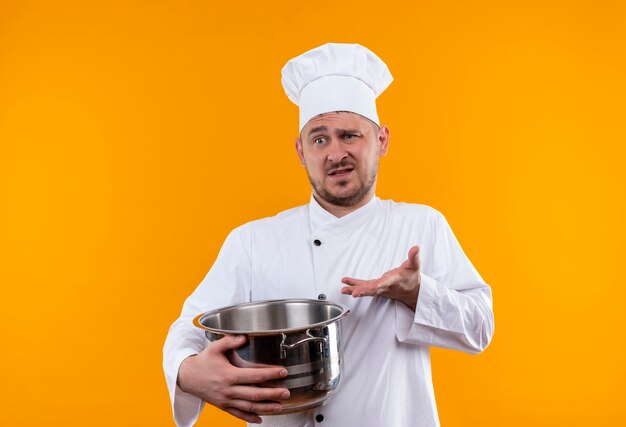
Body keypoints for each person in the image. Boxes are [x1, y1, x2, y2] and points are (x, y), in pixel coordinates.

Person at [163, 42, 494, 427]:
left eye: (350, 135)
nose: (336, 153)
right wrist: (188, 373)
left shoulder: (421, 226)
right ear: (301, 152)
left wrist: (417, 293)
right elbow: (186, 330)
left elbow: (480, 327)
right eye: (319, 139)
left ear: (382, 140)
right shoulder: (252, 242)